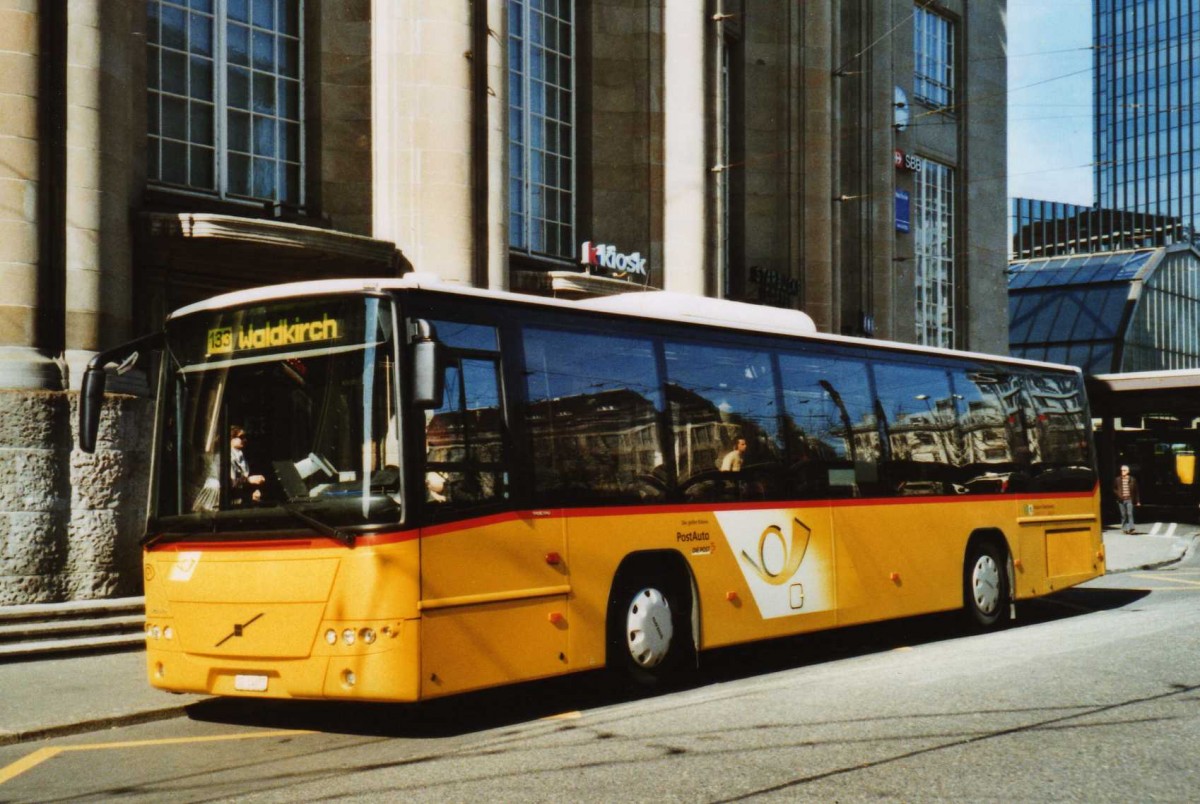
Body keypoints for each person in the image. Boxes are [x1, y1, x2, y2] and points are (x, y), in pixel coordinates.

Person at [230, 426, 266, 504]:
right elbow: (228, 483)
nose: (245, 440)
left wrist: (254, 491)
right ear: (231, 438)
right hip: (230, 501)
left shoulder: (242, 455)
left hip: (241, 499)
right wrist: (249, 480)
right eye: (241, 437)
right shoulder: (226, 457)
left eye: (245, 437)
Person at [1113, 464, 1140, 534]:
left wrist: (1138, 501)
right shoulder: (1117, 479)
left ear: (1128, 471)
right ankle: (1124, 528)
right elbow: (1114, 489)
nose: (1122, 472)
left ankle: (1131, 528)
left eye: (1124, 470)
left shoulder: (1133, 480)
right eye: (1121, 470)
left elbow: (1136, 491)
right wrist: (1118, 495)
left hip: (1129, 499)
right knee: (1123, 515)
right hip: (1121, 500)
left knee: (1130, 513)